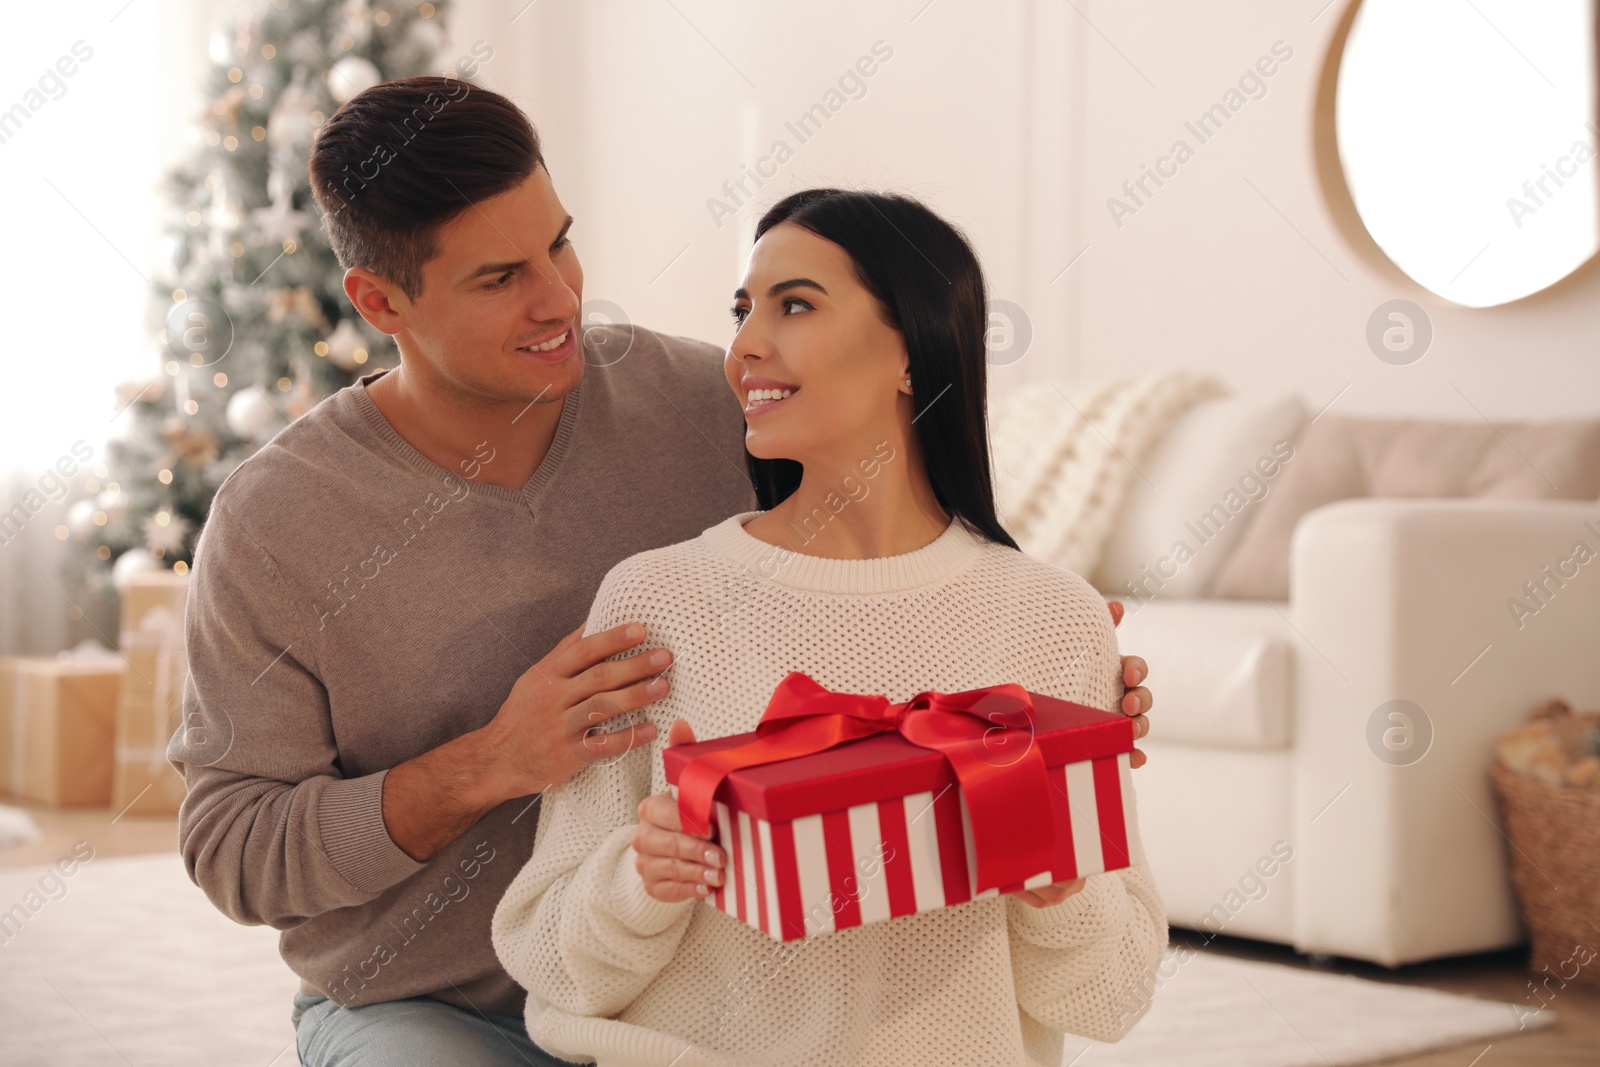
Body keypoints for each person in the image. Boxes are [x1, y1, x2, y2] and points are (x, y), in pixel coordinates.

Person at [168, 77, 1155, 1066]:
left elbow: (889, 519)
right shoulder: (278, 519)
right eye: (498, 276)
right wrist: (491, 762)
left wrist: (1048, 658)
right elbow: (232, 848)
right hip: (433, 1002)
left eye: (558, 242)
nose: (558, 297)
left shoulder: (703, 400)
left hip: (685, 990)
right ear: (380, 301)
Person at [489, 188, 1167, 1067]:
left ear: (913, 354)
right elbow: (554, 966)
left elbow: (1111, 997)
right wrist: (642, 877)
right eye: (743, 310)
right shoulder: (657, 602)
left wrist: (1058, 886)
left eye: (795, 304)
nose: (744, 348)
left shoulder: (1054, 619)